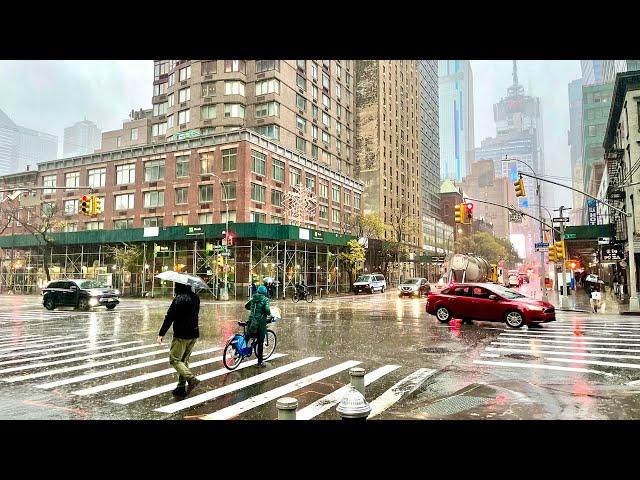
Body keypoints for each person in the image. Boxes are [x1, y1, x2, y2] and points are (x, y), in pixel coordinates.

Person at [157, 282, 202, 397]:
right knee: (184, 360)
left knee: (174, 359)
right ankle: (181, 387)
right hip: (194, 333)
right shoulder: (195, 297)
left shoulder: (179, 299)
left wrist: (161, 333)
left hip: (182, 334)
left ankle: (191, 379)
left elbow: (169, 317)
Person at [245, 285, 271, 368]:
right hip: (260, 322)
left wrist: (253, 310)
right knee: (260, 341)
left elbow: (246, 306)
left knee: (248, 336)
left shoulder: (253, 298)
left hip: (251, 320)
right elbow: (267, 310)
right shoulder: (266, 299)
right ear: (265, 293)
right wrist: (268, 313)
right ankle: (260, 362)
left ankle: (240, 353)